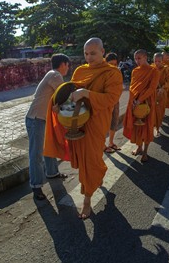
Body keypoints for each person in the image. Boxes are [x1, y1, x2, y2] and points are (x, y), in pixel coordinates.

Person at [44, 37, 122, 219]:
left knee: (90, 161)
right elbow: (71, 96)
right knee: (86, 161)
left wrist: (87, 93)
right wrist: (58, 106)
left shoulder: (112, 73)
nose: (89, 57)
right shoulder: (80, 71)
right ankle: (99, 171)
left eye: (93, 53)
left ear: (103, 52)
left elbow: (111, 98)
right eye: (86, 53)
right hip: (78, 123)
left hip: (96, 123)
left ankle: (87, 202)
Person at [25, 53, 70, 200]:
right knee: (36, 154)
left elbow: (57, 100)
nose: (68, 68)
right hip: (36, 119)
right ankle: (36, 186)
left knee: (49, 146)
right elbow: (65, 96)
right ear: (63, 64)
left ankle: (52, 173)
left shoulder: (52, 74)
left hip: (42, 118)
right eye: (67, 65)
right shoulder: (55, 75)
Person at [123, 49, 160, 162]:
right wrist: (134, 99)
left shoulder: (154, 71)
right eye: (135, 58)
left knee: (147, 126)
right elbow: (132, 86)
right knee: (137, 125)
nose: (137, 61)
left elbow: (152, 88)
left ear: (145, 57)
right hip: (134, 102)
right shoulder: (135, 71)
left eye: (139, 58)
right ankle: (139, 147)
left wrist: (140, 99)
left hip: (147, 102)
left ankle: (145, 152)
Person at [104, 52, 122, 153]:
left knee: (114, 121)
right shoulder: (102, 72)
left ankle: (111, 142)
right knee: (103, 123)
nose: (113, 66)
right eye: (111, 64)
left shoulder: (117, 72)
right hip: (104, 101)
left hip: (115, 100)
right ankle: (103, 145)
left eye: (115, 64)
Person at [151, 52, 169, 137]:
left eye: (159, 61)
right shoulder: (151, 68)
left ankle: (158, 129)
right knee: (151, 112)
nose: (157, 63)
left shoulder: (166, 69)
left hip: (161, 93)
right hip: (151, 93)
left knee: (159, 112)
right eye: (155, 61)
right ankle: (151, 127)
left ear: (162, 61)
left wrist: (163, 88)